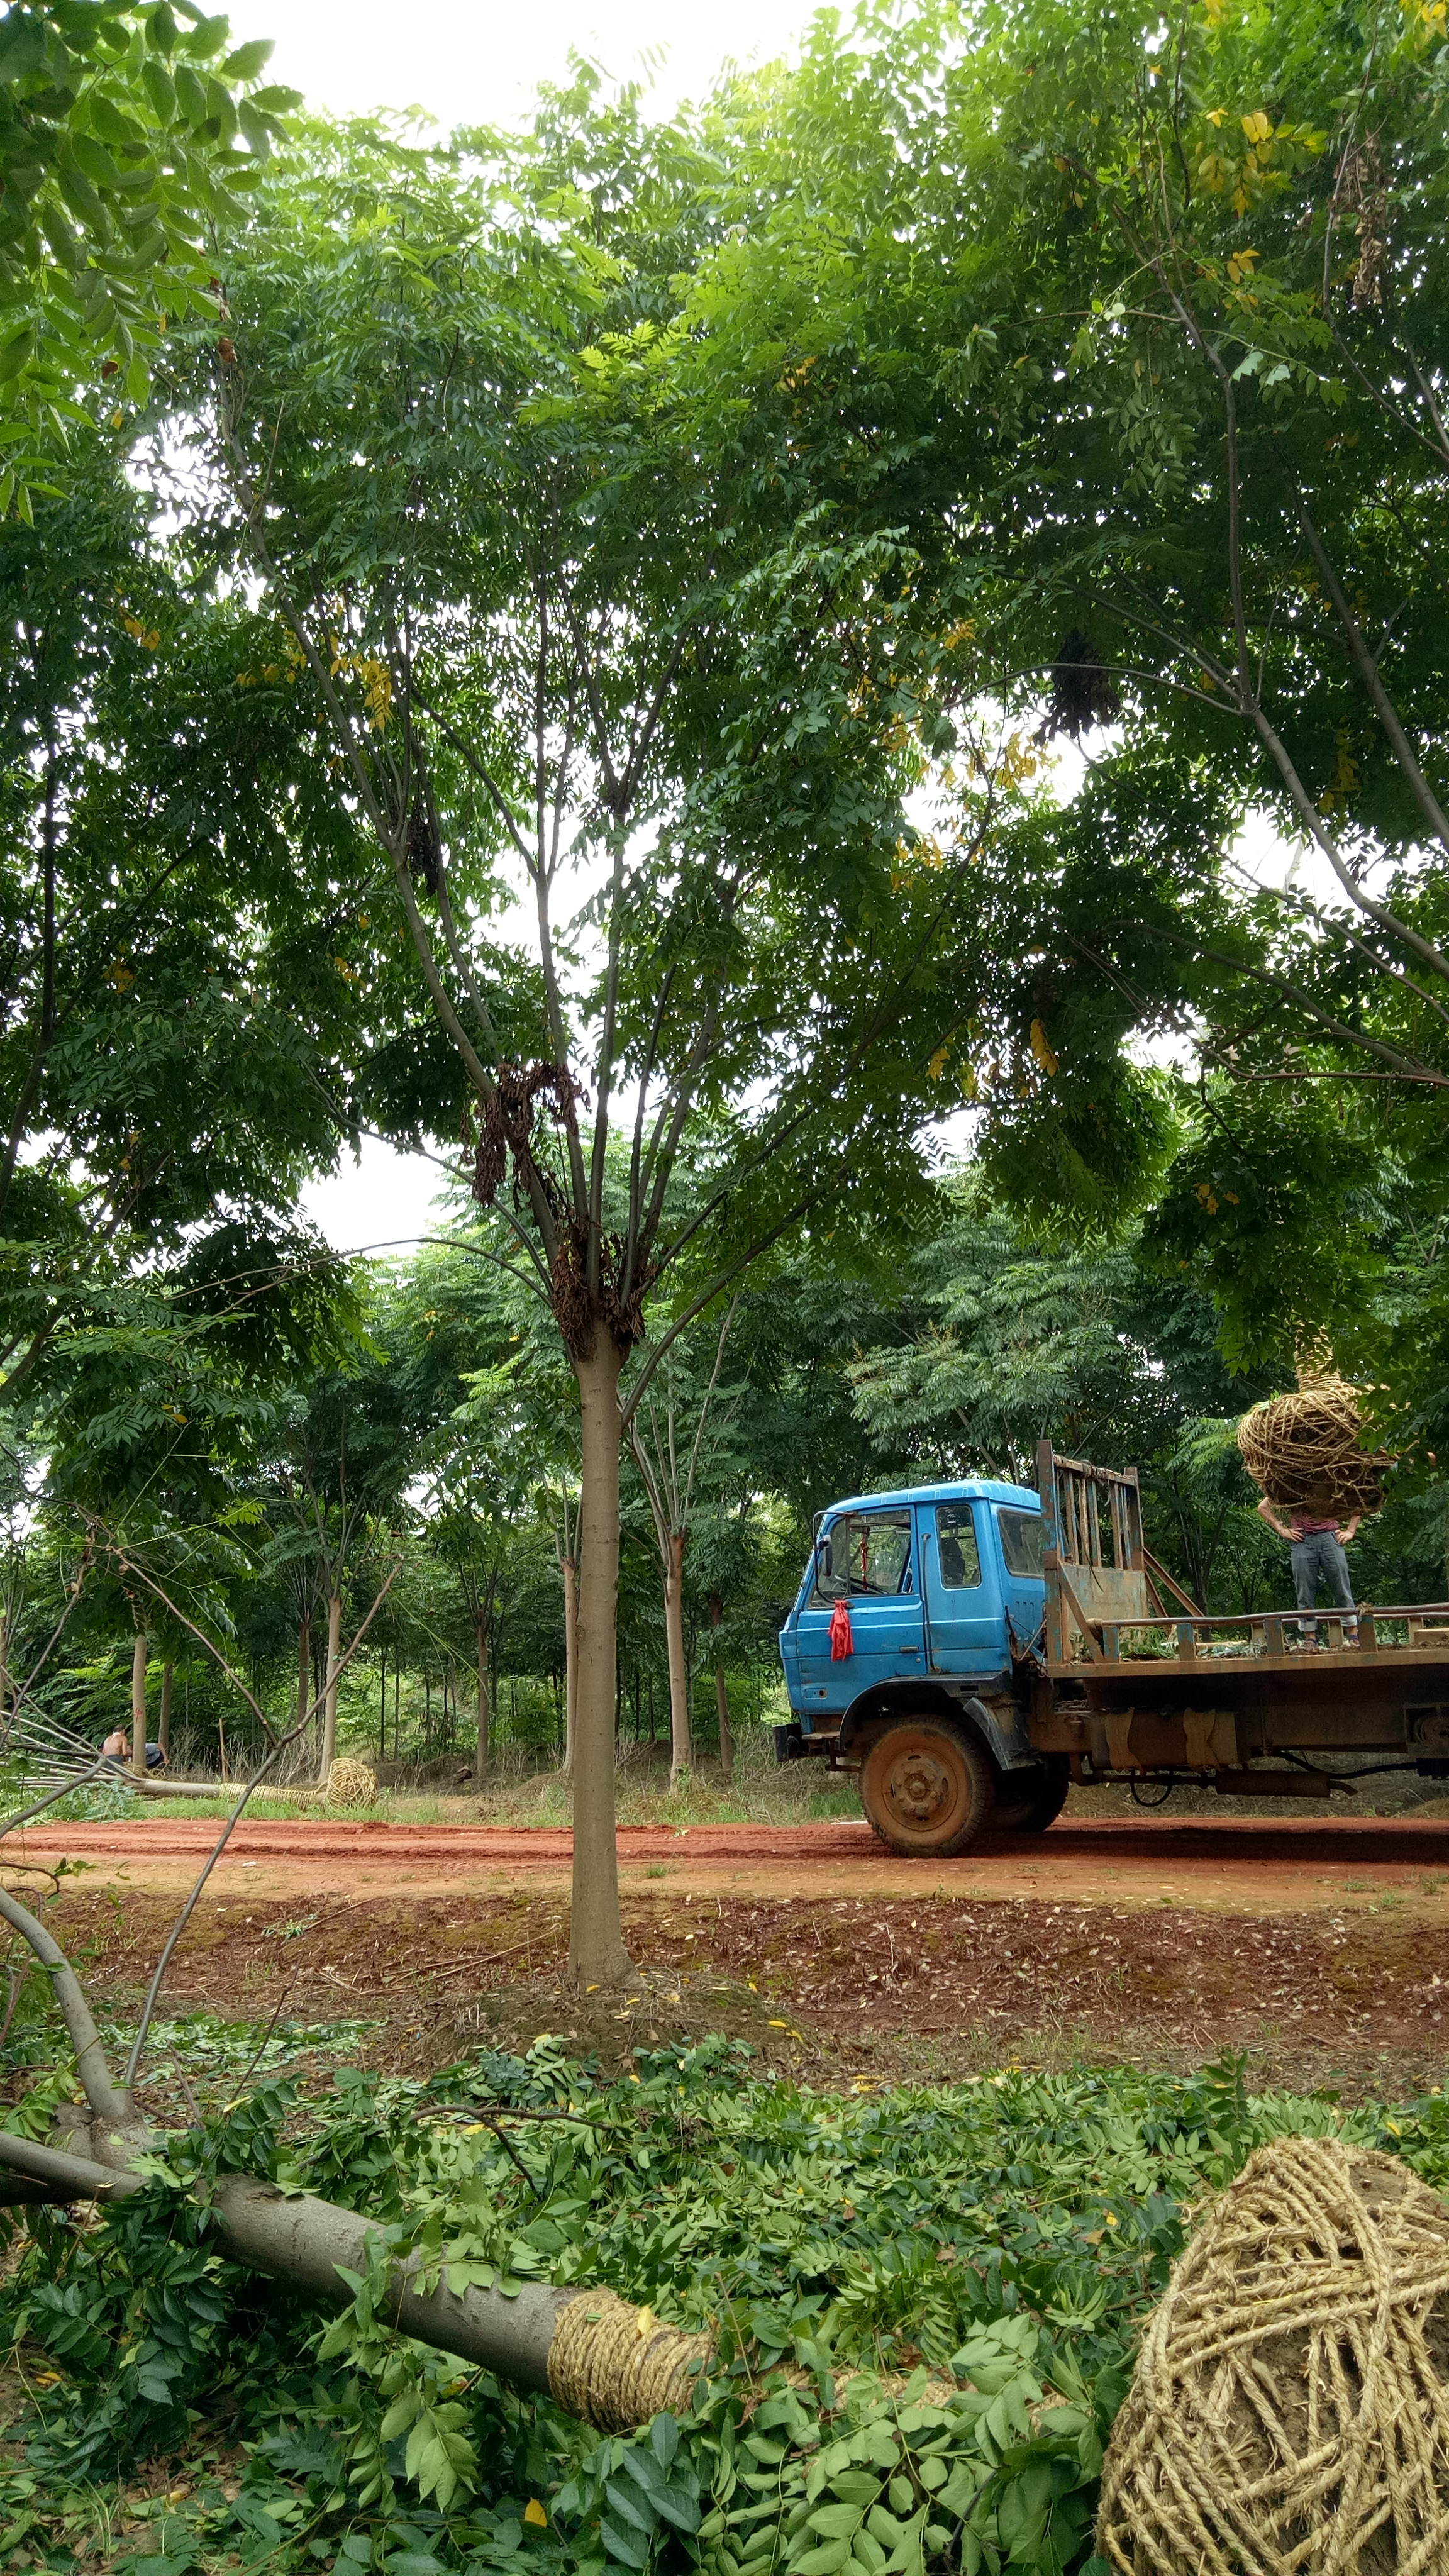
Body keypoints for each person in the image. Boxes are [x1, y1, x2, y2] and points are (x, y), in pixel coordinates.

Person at [1257, 1492, 1360, 1645]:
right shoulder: (1291, 1485)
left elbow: (1357, 1501)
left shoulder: (1329, 1482)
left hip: (1330, 1537)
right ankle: (1310, 1638)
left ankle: (1353, 1635)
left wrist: (1351, 1530)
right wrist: (1282, 1529)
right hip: (1302, 1540)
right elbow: (1263, 1507)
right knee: (1304, 1591)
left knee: (1341, 1585)